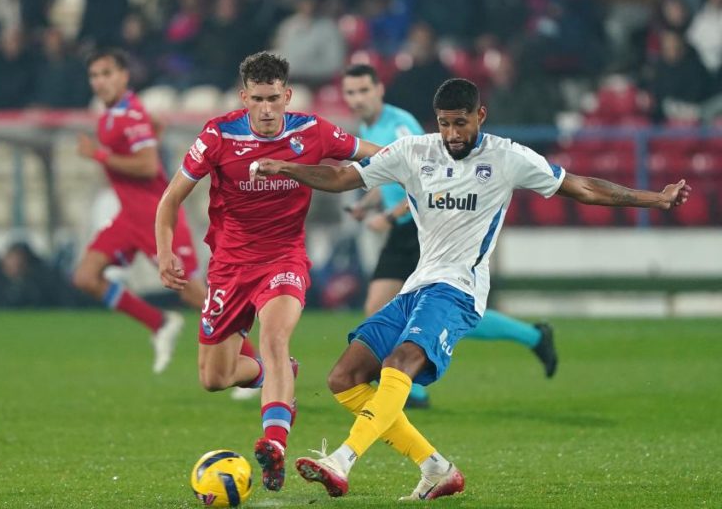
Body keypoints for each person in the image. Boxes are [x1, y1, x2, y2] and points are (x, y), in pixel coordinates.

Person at [251, 78, 691, 500]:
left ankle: (343, 460)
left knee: (400, 361)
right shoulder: (412, 152)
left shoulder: (508, 157)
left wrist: (654, 198)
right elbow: (343, 177)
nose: (452, 132)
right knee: (344, 378)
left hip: (459, 290)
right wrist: (288, 168)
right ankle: (436, 468)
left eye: (460, 122)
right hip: (417, 285)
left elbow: (583, 187)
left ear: (480, 115)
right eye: (444, 122)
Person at [154, 51, 380, 492]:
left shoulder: (312, 132)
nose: (266, 109)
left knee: (274, 337)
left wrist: (424, 164)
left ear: (287, 95)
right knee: (214, 378)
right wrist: (166, 253)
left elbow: (376, 155)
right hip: (229, 267)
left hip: (284, 259)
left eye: (274, 98)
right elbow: (170, 200)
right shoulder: (218, 136)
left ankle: (275, 443)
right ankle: (277, 375)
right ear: (244, 97)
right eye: (257, 99)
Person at [341, 64, 558, 411]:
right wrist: (369, 204)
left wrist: (390, 215)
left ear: (379, 89)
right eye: (350, 92)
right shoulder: (370, 127)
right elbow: (392, 178)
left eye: (363, 90)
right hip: (403, 227)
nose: (356, 99)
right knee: (430, 309)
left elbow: (424, 180)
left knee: (431, 305)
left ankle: (413, 391)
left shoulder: (399, 126)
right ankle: (532, 336)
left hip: (423, 226)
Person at [74, 48, 206, 374]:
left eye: (107, 74)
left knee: (191, 293)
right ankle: (159, 323)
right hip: (129, 216)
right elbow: (145, 149)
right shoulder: (112, 116)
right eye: (94, 75)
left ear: (124, 76)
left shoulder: (129, 114)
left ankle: (259, 363)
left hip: (154, 215)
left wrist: (99, 155)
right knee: (87, 276)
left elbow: (148, 166)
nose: (100, 82)